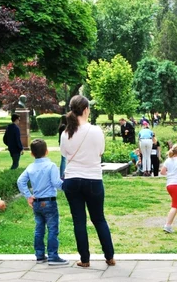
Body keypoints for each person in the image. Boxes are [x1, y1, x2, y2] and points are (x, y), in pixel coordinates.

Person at [60, 96, 115, 268]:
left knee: (79, 220)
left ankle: (84, 259)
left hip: (72, 179)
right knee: (99, 219)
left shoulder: (66, 132)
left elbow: (64, 154)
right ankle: (109, 256)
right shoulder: (96, 131)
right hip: (93, 179)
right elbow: (100, 152)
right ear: (85, 110)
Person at [17, 139, 67, 265]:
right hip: (49, 202)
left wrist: (28, 196)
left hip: (37, 203)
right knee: (52, 229)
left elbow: (20, 181)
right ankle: (53, 256)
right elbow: (56, 183)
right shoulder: (51, 166)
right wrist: (67, 185)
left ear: (32, 154)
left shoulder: (30, 167)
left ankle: (39, 255)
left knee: (39, 229)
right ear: (47, 151)